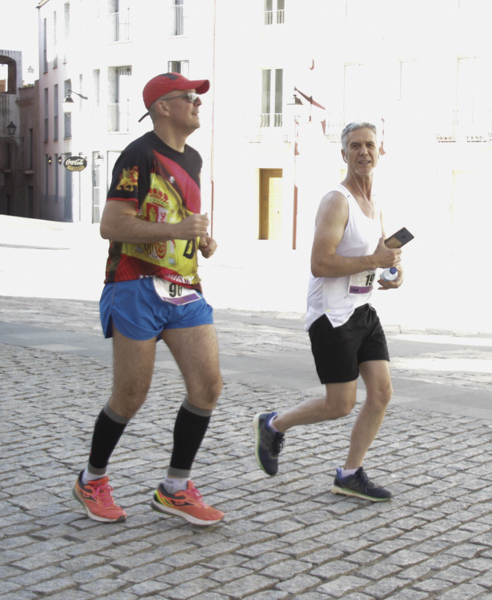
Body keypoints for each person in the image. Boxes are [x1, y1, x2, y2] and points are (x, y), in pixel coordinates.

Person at [72, 73, 224, 526]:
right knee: (130, 394)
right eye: (187, 97)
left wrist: (201, 240)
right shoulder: (138, 155)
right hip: (133, 284)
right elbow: (113, 225)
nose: (197, 103)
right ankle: (91, 479)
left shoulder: (192, 158)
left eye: (197, 97)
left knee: (208, 387)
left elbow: (177, 217)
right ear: (162, 106)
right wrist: (177, 231)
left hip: (183, 287)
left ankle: (175, 488)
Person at [253, 122, 404, 502]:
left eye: (370, 145)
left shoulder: (375, 203)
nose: (364, 152)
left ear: (380, 151)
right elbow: (321, 263)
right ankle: (273, 424)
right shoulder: (337, 201)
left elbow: (379, 255)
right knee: (340, 404)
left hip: (362, 309)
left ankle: (350, 474)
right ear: (344, 154)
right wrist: (374, 259)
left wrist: (391, 272)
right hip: (331, 316)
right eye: (355, 146)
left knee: (382, 393)